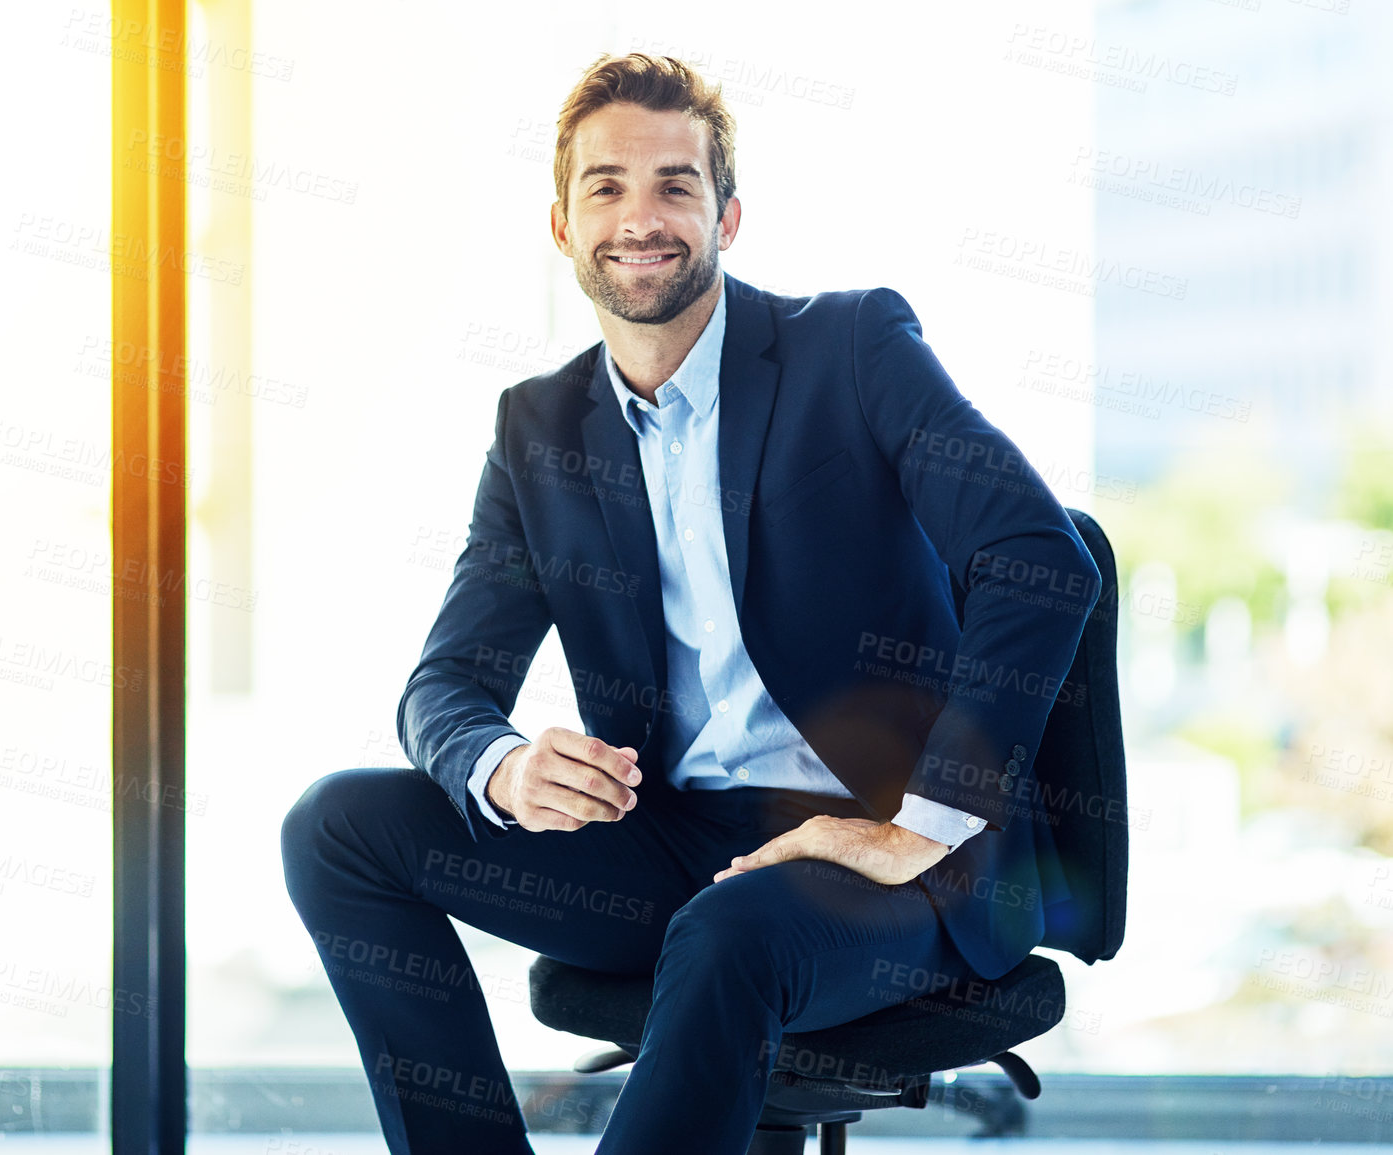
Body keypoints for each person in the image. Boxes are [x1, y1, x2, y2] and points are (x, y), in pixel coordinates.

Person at [281, 52, 1098, 1155]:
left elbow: (1038, 557)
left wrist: (927, 824)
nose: (642, 216)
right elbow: (447, 683)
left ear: (729, 215)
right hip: (669, 839)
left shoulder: (851, 348)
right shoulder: (540, 429)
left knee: (729, 933)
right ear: (563, 226)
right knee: (335, 828)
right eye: (606, 187)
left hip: (879, 850)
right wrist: (501, 763)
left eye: (676, 184)